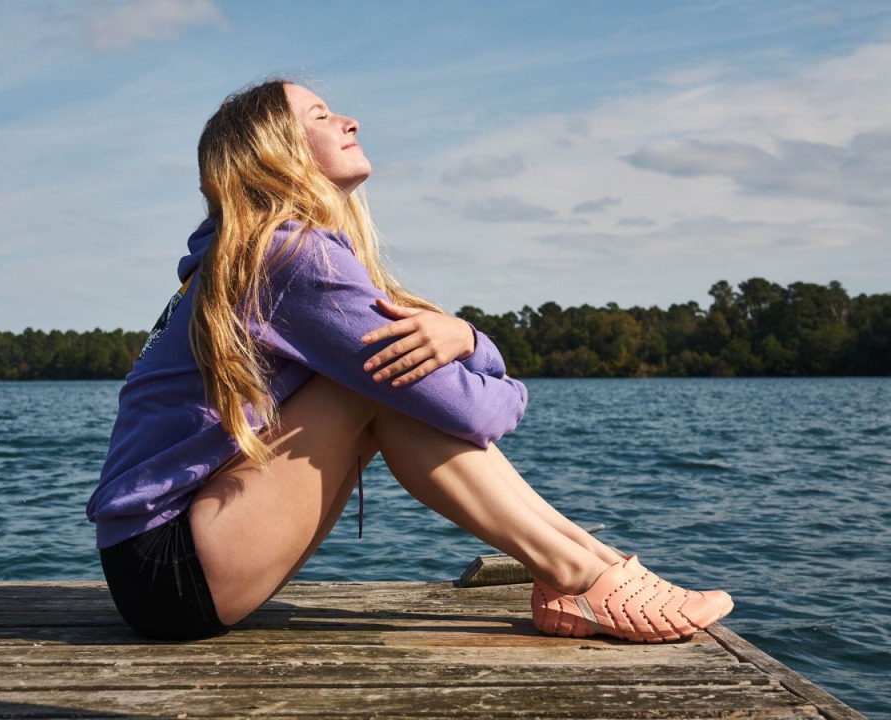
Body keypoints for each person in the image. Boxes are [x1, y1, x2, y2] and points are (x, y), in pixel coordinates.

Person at [87, 78, 733, 642]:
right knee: (378, 385)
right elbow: (469, 412)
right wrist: (488, 365)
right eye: (320, 115)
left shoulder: (260, 253)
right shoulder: (287, 257)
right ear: (272, 151)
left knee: (385, 380)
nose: (350, 121)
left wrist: (467, 340)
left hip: (174, 558)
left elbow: (449, 393)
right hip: (168, 571)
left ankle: (586, 568)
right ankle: (577, 574)